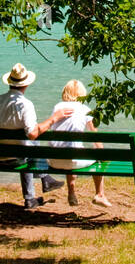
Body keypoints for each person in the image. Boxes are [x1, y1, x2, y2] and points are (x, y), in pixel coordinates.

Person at [0, 63, 65, 208]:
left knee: (26, 146)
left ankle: (39, 188)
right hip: (16, 158)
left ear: (10, 83)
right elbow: (32, 134)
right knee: (30, 144)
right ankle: (43, 181)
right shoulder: (25, 104)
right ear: (26, 85)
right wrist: (53, 119)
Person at [47, 80, 112, 208]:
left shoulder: (57, 107)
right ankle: (99, 194)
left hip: (54, 161)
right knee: (94, 154)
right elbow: (95, 136)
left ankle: (71, 193)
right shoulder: (85, 109)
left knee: (69, 149)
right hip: (72, 160)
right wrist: (103, 153)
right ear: (82, 94)